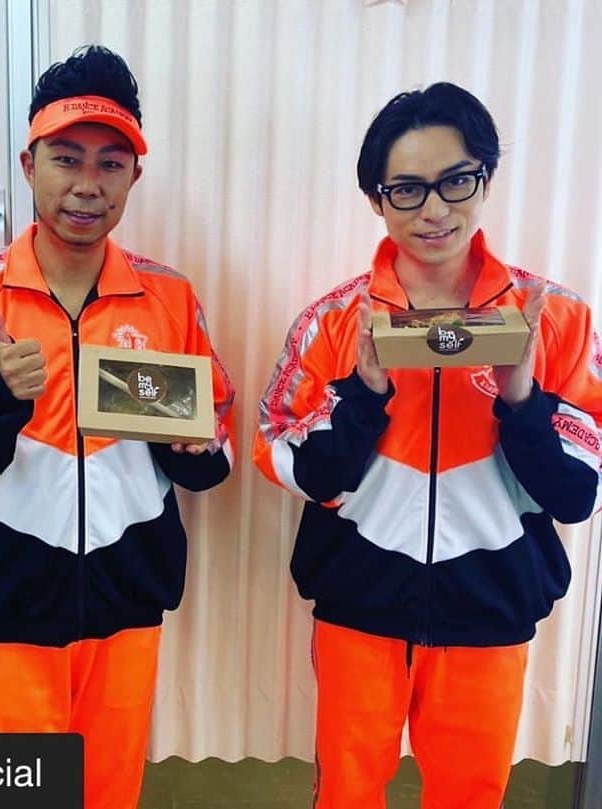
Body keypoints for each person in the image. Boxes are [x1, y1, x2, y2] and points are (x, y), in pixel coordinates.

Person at [253, 82, 602, 808]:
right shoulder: (333, 322)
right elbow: (290, 462)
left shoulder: (556, 318)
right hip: (359, 606)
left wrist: (522, 401)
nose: (435, 210)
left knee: (471, 794)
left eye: (456, 181)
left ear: (485, 180)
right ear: (376, 200)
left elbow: (579, 493)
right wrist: (362, 395)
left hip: (492, 605)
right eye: (407, 190)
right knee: (347, 791)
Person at [0, 45, 235, 809]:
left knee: (110, 793)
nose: (88, 185)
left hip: (128, 603)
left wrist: (190, 446)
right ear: (29, 165)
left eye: (110, 164)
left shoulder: (168, 297)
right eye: (66, 159)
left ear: (134, 176)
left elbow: (212, 440)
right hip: (5, 607)